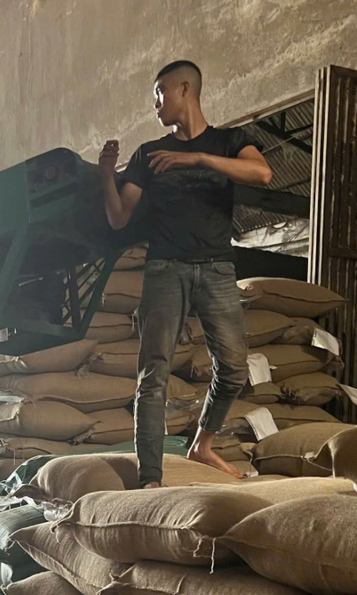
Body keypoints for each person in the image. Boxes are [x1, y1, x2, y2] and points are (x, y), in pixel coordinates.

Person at [99, 60, 273, 487]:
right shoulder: (148, 154)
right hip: (165, 269)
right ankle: (151, 478)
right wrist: (105, 175)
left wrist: (197, 158)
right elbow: (119, 218)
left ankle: (202, 445)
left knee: (233, 368)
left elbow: (262, 172)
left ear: (184, 89)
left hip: (217, 268)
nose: (155, 104)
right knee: (153, 375)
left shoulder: (230, 142)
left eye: (159, 94)